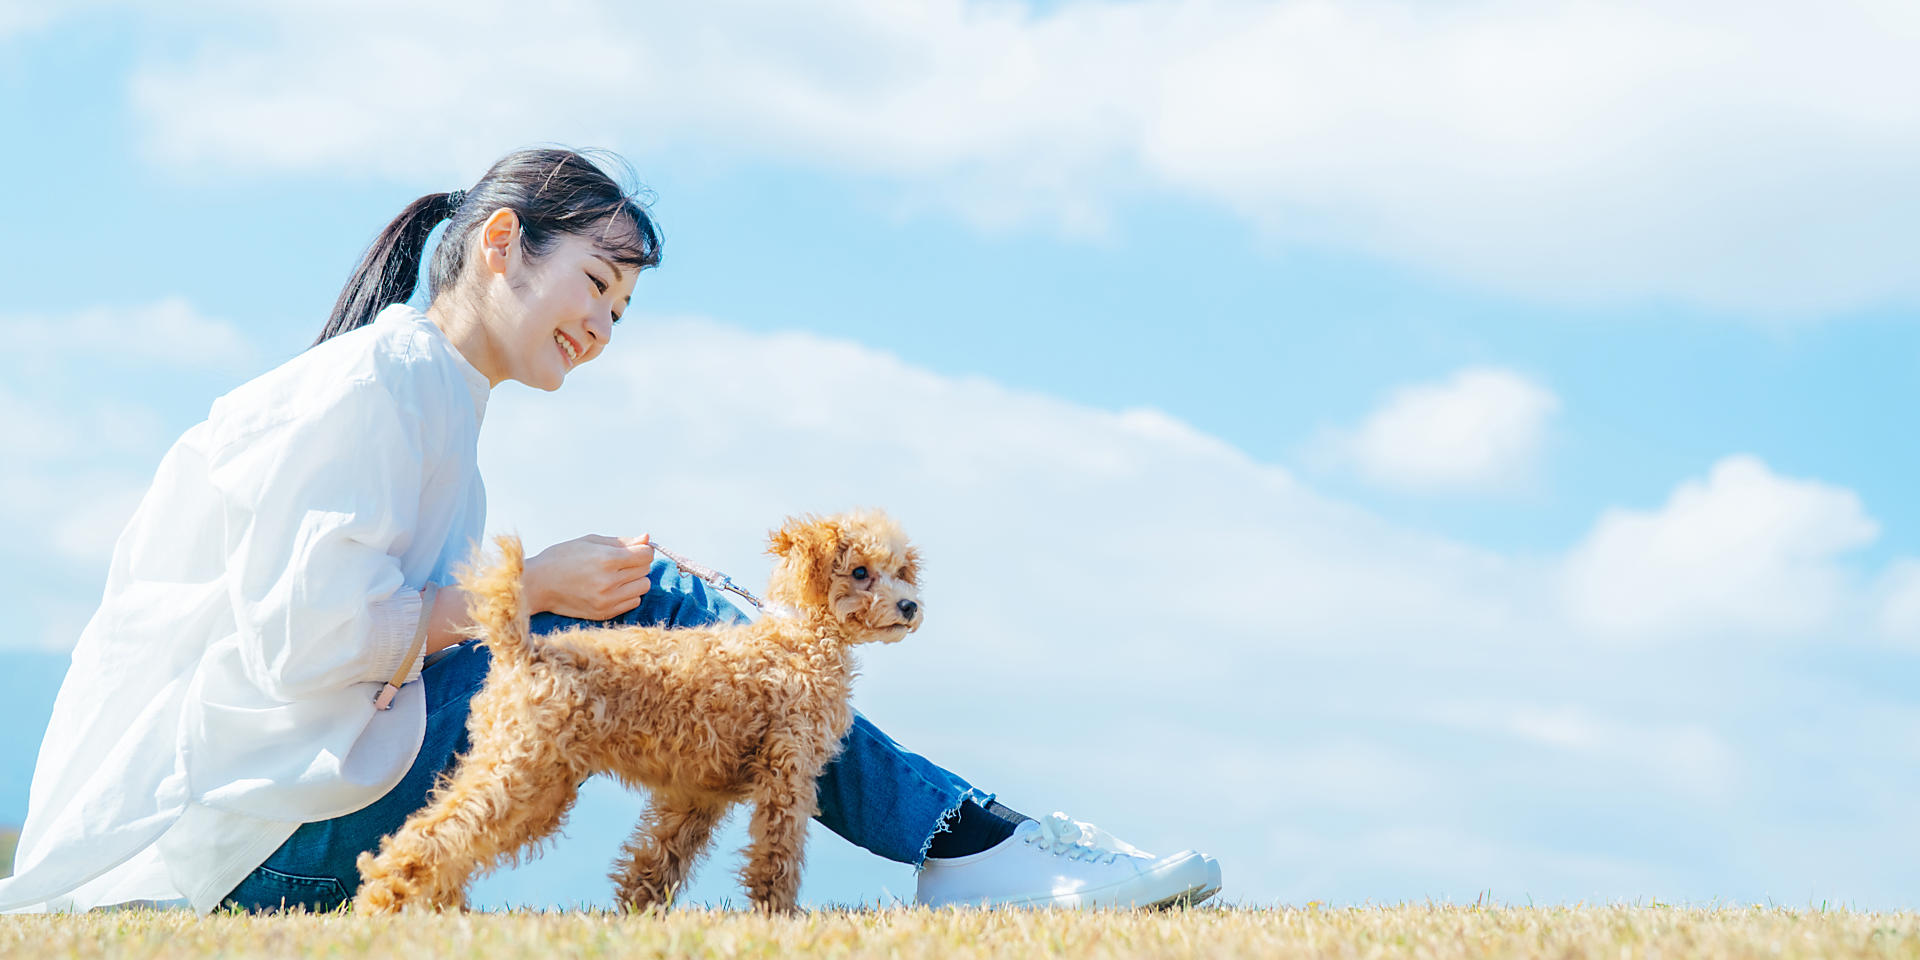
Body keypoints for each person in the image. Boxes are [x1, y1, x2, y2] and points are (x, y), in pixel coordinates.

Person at [0, 147, 1222, 915]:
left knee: (681, 625)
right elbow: (304, 650)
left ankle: (972, 837)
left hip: (273, 832)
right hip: (239, 856)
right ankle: (973, 844)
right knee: (687, 621)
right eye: (595, 283)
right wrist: (533, 591)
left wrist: (547, 591)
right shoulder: (373, 387)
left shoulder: (429, 400)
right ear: (498, 245)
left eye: (622, 310)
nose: (603, 324)